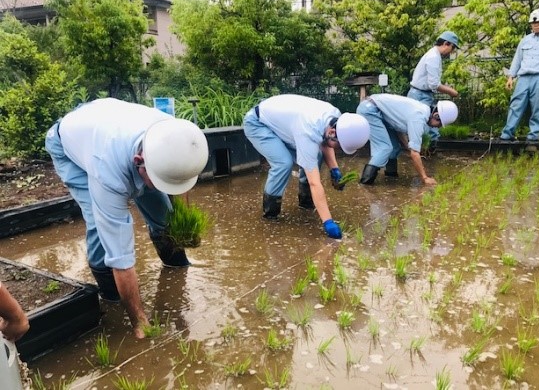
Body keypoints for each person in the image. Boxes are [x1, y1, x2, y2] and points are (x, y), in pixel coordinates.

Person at [45, 98, 209, 338]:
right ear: (139, 163)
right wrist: (140, 321)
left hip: (106, 120)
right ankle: (109, 294)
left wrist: (181, 228)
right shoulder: (107, 171)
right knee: (99, 227)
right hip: (70, 144)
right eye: (159, 178)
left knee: (162, 213)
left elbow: (178, 181)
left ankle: (175, 262)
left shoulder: (174, 137)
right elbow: (122, 257)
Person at [243, 94, 370, 239]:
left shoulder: (336, 118)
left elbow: (325, 141)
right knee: (283, 163)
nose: (338, 149)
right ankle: (271, 213)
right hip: (258, 123)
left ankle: (306, 203)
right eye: (339, 146)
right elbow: (314, 182)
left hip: (284, 124)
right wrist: (328, 221)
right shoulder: (308, 131)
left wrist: (334, 169)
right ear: (333, 132)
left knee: (316, 155)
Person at [357, 94, 458, 186]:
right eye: (439, 125)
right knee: (385, 148)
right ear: (436, 115)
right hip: (370, 110)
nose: (437, 128)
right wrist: (425, 178)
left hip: (378, 111)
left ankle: (390, 177)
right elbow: (414, 153)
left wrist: (408, 146)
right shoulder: (419, 117)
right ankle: (365, 183)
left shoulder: (423, 111)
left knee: (395, 148)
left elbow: (398, 129)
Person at [500, 8, 539, 142]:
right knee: (516, 104)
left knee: (538, 107)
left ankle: (533, 136)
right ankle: (507, 134)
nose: (536, 25)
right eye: (533, 23)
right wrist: (511, 77)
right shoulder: (525, 40)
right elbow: (517, 59)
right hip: (523, 77)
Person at [407, 30, 460, 154]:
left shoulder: (434, 55)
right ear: (446, 43)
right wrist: (451, 92)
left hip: (423, 94)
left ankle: (428, 153)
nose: (451, 52)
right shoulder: (433, 57)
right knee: (425, 127)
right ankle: (425, 156)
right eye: (452, 48)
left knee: (430, 127)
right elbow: (434, 84)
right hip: (420, 95)